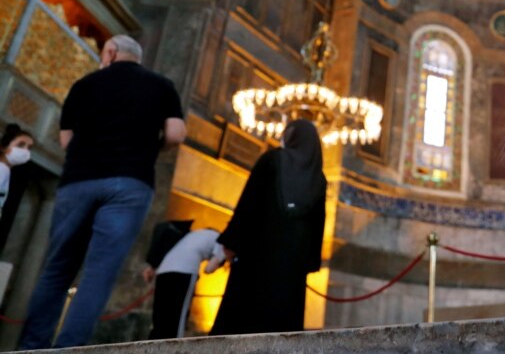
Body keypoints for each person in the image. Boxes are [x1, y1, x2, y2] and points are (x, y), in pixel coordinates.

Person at [18, 35, 186, 350]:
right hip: (130, 182)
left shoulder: (84, 84)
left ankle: (31, 347)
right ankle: (69, 349)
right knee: (98, 273)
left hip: (79, 180)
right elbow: (176, 134)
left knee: (57, 268)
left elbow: (67, 142)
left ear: (109, 52)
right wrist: (149, 147)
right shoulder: (162, 85)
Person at [210, 120, 326, 335]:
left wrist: (232, 241)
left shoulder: (272, 160)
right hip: (292, 268)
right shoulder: (318, 179)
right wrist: (310, 263)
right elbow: (317, 226)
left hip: (257, 255)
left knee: (243, 323)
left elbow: (248, 204)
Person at [143, 226, 226, 339]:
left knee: (160, 319)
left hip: (163, 271)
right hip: (184, 272)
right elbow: (209, 268)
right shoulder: (221, 240)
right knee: (177, 319)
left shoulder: (194, 234)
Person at [0, 123, 33, 218]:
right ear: (3, 147)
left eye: (29, 148)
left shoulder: (5, 170)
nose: (25, 151)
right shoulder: (2, 169)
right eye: (20, 145)